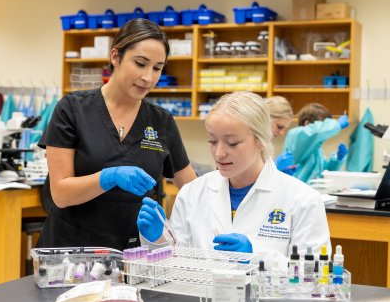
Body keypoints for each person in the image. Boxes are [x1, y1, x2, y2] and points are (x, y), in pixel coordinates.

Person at [37, 18, 196, 250]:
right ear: (115, 57)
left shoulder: (161, 121)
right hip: (71, 254)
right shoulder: (73, 109)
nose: (148, 77)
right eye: (140, 63)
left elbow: (193, 190)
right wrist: (108, 177)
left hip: (134, 254)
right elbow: (60, 193)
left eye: (157, 68)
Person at [137, 91, 331, 267]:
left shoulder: (303, 199)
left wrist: (257, 255)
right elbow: (177, 263)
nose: (219, 153)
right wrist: (158, 240)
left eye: (232, 143)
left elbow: (315, 273)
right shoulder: (192, 193)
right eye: (212, 141)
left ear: (261, 141)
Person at [283, 103, 349, 184]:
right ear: (307, 124)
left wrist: (336, 160)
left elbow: (323, 173)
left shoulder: (315, 148)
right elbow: (316, 132)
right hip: (296, 192)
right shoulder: (296, 136)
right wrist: (337, 124)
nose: (325, 131)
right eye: (322, 125)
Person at [264, 96, 297, 175]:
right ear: (265, 117)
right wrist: (275, 167)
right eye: (280, 127)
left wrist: (280, 173)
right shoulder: (248, 141)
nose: (282, 133)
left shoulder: (266, 144)